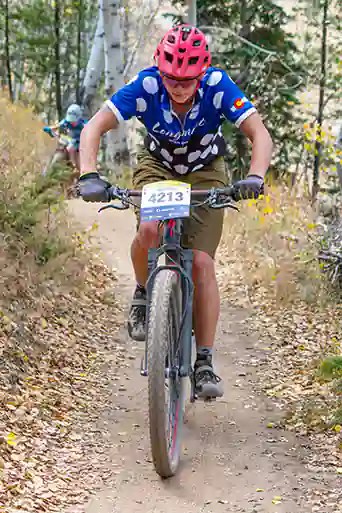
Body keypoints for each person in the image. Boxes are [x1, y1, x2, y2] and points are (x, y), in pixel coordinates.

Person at [78, 25, 273, 398]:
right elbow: (93, 128)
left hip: (206, 171)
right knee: (149, 231)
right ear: (159, 70)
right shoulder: (146, 85)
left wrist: (254, 177)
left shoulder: (217, 85)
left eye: (187, 80)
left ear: (202, 73)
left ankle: (204, 362)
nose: (179, 87)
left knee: (201, 263)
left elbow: (259, 134)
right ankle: (141, 292)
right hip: (158, 166)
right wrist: (89, 174)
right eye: (171, 78)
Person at [43, 103, 87, 172]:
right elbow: (58, 126)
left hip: (80, 141)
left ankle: (74, 165)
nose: (72, 123)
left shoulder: (83, 124)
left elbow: (90, 132)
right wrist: (50, 129)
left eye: (74, 121)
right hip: (70, 139)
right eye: (71, 121)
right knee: (60, 146)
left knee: (70, 149)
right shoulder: (66, 122)